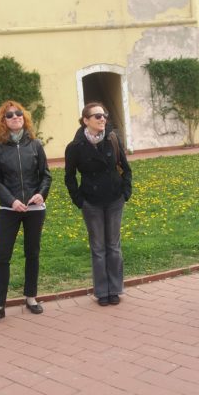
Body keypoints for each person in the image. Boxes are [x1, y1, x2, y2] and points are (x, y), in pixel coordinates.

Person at [0, 100, 52, 319]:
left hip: (34, 208)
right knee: (2, 255)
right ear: (3, 121)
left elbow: (46, 175)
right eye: (9, 115)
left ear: (24, 117)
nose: (15, 117)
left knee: (32, 253)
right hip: (9, 209)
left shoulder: (35, 145)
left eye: (18, 113)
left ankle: (31, 297)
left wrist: (41, 193)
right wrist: (11, 201)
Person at [64, 102, 132, 306]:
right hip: (91, 202)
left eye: (104, 115)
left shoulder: (112, 139)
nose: (103, 119)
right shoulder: (75, 147)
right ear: (86, 120)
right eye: (97, 116)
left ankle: (115, 289)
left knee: (114, 246)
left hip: (114, 199)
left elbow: (125, 167)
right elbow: (69, 177)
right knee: (98, 248)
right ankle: (102, 291)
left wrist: (125, 192)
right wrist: (79, 200)